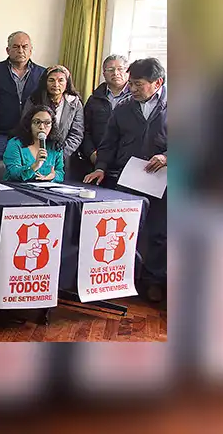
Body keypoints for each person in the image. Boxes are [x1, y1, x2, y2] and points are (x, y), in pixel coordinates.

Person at [84, 57, 167, 302]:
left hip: (163, 179)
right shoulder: (123, 108)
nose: (132, 89)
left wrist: (167, 156)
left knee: (159, 232)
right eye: (130, 83)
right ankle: (123, 278)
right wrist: (100, 167)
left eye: (138, 84)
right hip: (128, 177)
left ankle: (153, 282)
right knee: (125, 229)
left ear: (157, 82)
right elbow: (108, 143)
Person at [0, 31, 46, 160]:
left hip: (29, 134)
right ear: (8, 50)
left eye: (24, 46)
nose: (20, 50)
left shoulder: (43, 74)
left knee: (25, 171)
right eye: (16, 46)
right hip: (0, 134)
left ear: (30, 50)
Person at [76, 54, 131, 177]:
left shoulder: (136, 99)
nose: (116, 73)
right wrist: (91, 153)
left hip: (127, 163)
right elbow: (84, 130)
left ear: (128, 72)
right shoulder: (94, 99)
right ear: (103, 73)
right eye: (110, 70)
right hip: (97, 160)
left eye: (120, 69)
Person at [22, 65, 84, 162]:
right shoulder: (34, 100)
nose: (56, 84)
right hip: (34, 153)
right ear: (45, 82)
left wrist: (59, 155)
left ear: (67, 83)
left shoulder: (74, 103)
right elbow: (25, 126)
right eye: (51, 80)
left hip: (64, 156)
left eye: (61, 80)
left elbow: (76, 134)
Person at [2, 105, 64, 182]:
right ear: (29, 124)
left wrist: (53, 176)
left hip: (45, 190)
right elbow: (13, 174)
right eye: (37, 122)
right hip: (17, 189)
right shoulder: (15, 144)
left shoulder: (55, 145)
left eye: (47, 123)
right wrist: (35, 166)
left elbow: (60, 173)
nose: (41, 127)